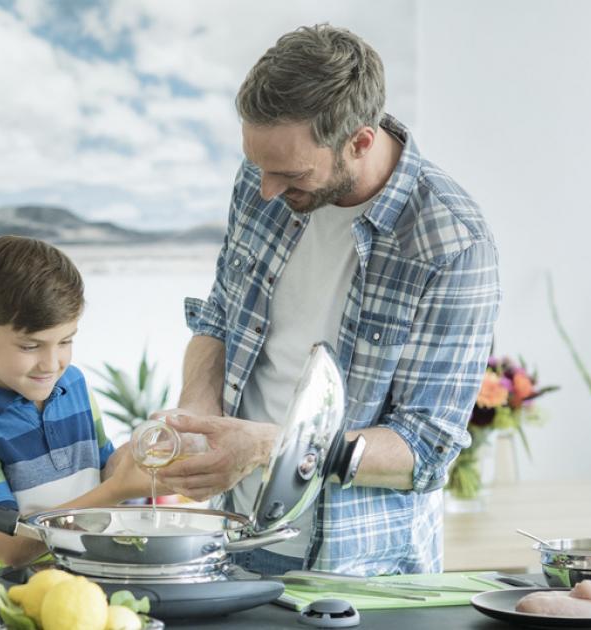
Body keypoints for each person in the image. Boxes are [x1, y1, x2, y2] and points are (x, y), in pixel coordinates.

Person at [155, 24, 501, 576]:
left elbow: (428, 448)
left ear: (359, 141)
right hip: (233, 540)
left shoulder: (452, 244)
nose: (265, 189)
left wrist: (271, 447)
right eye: (257, 166)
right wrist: (198, 408)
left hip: (359, 569)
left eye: (288, 174)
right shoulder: (264, 176)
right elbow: (221, 312)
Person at [0, 236, 152, 571]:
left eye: (65, 341)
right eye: (30, 346)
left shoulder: (73, 383)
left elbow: (103, 474)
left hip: (91, 585)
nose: (51, 364)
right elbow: (11, 548)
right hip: (17, 600)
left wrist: (141, 458)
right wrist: (118, 491)